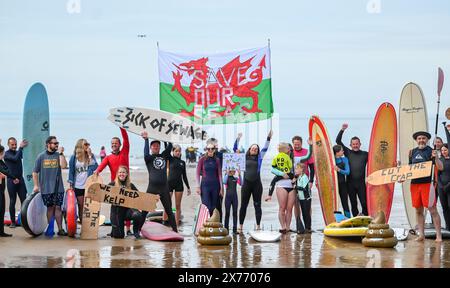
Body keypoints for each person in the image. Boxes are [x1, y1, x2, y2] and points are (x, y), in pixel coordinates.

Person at [406, 131, 442, 242]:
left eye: (423, 138)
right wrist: (401, 176)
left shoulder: (432, 151)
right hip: (415, 184)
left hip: (428, 184)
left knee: (432, 210)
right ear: (416, 140)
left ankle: (439, 236)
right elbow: (409, 168)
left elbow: (440, 167)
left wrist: (435, 158)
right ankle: (421, 235)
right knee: (418, 211)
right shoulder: (412, 152)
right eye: (419, 138)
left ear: (427, 140)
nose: (421, 140)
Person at [94, 128, 131, 235]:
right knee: (115, 208)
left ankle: (128, 229)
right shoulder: (108, 157)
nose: (114, 145)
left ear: (120, 144)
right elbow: (100, 168)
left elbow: (126, 139)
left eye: (116, 143)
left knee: (127, 205)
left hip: (126, 183)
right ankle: (114, 229)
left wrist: (122, 126)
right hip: (114, 186)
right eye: (112, 143)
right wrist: (95, 173)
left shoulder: (125, 152)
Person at [234, 130, 272, 233]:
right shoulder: (243, 157)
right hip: (246, 184)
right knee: (243, 205)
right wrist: (238, 139)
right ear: (249, 149)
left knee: (257, 205)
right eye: (253, 148)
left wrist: (268, 138)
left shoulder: (260, 157)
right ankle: (240, 226)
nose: (254, 149)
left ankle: (258, 226)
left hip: (257, 185)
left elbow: (265, 147)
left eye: (256, 148)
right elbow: (235, 149)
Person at [140, 131, 177, 232]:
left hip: (164, 188)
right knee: (144, 210)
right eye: (154, 146)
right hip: (152, 187)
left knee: (169, 210)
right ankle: (137, 230)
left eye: (157, 146)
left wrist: (165, 136)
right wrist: (146, 140)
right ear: (151, 148)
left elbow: (169, 146)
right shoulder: (149, 158)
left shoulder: (164, 155)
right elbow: (145, 153)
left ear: (160, 148)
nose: (156, 147)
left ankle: (175, 230)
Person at [32, 136, 67, 236]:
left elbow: (64, 166)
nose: (57, 145)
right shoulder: (41, 156)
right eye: (54, 143)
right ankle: (50, 228)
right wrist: (36, 185)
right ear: (48, 144)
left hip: (58, 187)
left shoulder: (58, 155)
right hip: (46, 188)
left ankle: (60, 229)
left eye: (57, 143)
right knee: (50, 208)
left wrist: (61, 153)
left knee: (58, 208)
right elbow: (35, 172)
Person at [336, 123, 368, 216]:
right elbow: (338, 140)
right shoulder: (348, 153)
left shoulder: (365, 154)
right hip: (350, 184)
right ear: (350, 145)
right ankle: (356, 219)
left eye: (357, 144)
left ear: (360, 144)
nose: (355, 145)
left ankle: (365, 217)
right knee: (353, 204)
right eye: (353, 144)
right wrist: (342, 130)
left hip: (361, 183)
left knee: (364, 203)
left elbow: (376, 161)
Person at [265, 143, 295, 234]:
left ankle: (288, 227)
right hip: (281, 185)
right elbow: (273, 170)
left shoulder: (279, 157)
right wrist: (282, 174)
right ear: (286, 150)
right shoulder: (287, 158)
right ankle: (283, 227)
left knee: (289, 208)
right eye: (288, 149)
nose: (289, 150)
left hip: (291, 186)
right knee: (282, 207)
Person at [68, 139, 98, 224]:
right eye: (86, 144)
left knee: (88, 206)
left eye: (88, 144)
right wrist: (71, 184)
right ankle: (82, 225)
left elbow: (95, 167)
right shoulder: (74, 157)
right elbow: (71, 171)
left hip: (88, 185)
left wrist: (89, 155)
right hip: (78, 186)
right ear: (81, 145)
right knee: (81, 206)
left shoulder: (90, 155)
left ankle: (88, 225)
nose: (88, 146)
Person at [109, 166, 143, 239]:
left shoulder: (130, 185)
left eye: (123, 172)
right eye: (120, 172)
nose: (122, 174)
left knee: (137, 215)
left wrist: (152, 199)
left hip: (127, 211)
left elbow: (140, 197)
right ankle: (114, 229)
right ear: (117, 174)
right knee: (119, 236)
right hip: (116, 212)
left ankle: (135, 231)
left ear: (127, 174)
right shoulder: (112, 185)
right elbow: (104, 195)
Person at [291, 135, 315, 232]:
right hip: (294, 179)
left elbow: (312, 168)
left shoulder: (306, 152)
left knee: (307, 204)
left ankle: (308, 225)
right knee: (296, 203)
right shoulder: (290, 153)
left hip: (305, 180)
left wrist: (311, 181)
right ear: (293, 143)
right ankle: (298, 224)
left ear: (301, 143)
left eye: (298, 144)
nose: (296, 146)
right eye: (295, 144)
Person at [4, 137, 28, 227]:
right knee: (12, 201)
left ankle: (23, 221)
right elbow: (14, 159)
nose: (14, 146)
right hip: (11, 180)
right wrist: (21, 148)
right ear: (8, 145)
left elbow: (22, 157)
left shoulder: (17, 152)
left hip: (20, 179)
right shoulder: (6, 154)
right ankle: (13, 222)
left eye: (15, 144)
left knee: (24, 201)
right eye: (12, 144)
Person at [167, 144, 191, 225]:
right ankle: (165, 223)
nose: (178, 152)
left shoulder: (182, 163)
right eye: (176, 151)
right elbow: (167, 149)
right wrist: (168, 142)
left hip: (179, 185)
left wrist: (188, 187)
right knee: (167, 204)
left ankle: (176, 224)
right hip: (169, 184)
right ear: (172, 152)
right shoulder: (169, 159)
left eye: (179, 151)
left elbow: (184, 176)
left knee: (177, 205)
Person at [196, 143, 223, 217]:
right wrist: (198, 186)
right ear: (206, 150)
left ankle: (212, 224)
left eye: (212, 149)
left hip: (215, 186)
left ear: (215, 150)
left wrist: (221, 188)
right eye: (208, 149)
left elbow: (220, 175)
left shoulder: (217, 160)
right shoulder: (202, 159)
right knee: (206, 206)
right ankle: (206, 223)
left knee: (214, 207)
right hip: (205, 186)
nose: (210, 150)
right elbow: (197, 173)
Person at [0, 145, 20, 237]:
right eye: (3, 153)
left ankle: (1, 232)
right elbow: (5, 171)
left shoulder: (1, 161)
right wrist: (14, 178)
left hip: (1, 190)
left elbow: (6, 169)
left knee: (2, 210)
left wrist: (12, 177)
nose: (4, 154)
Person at [206, 138, 224, 221]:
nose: (211, 149)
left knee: (218, 205)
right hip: (207, 185)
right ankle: (208, 222)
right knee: (208, 205)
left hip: (218, 183)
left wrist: (222, 188)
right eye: (209, 147)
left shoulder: (221, 155)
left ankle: (220, 223)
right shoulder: (204, 156)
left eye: (213, 146)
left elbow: (232, 161)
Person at [292, 163, 311, 234]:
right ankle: (305, 228)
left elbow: (304, 189)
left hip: (306, 198)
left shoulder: (304, 177)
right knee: (303, 213)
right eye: (295, 168)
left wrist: (295, 187)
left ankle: (308, 228)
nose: (295, 170)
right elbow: (295, 186)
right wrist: (294, 182)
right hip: (301, 198)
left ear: (302, 169)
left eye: (297, 168)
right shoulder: (298, 177)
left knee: (306, 214)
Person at [333, 144, 351, 218]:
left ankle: (348, 219)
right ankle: (335, 219)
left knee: (345, 203)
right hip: (334, 186)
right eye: (341, 150)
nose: (343, 151)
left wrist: (339, 170)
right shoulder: (331, 160)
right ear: (337, 152)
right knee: (334, 204)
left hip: (342, 184)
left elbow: (347, 172)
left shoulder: (344, 159)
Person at [436, 144, 450, 231]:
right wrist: (441, 186)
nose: (443, 152)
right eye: (442, 150)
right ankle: (448, 227)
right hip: (441, 188)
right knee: (444, 207)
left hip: (449, 187)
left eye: (445, 150)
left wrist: (448, 185)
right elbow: (438, 175)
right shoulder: (440, 160)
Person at [223, 168, 241, 234]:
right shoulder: (226, 177)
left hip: (234, 198)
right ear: (230, 171)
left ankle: (234, 230)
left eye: (235, 171)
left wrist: (239, 174)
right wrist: (227, 173)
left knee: (235, 213)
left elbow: (241, 183)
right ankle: (226, 229)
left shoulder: (235, 178)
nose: (234, 172)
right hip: (228, 198)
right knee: (227, 213)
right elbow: (224, 182)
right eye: (233, 171)